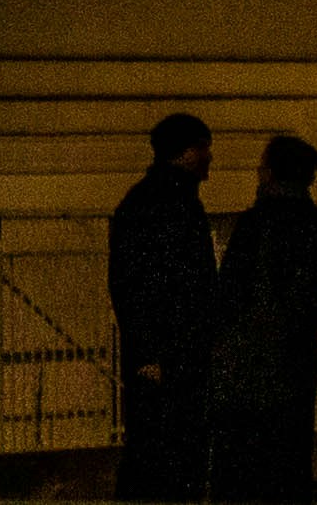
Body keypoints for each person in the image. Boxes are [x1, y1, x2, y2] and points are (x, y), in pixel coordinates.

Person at [200, 130, 317, 496]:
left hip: (246, 361)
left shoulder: (255, 225)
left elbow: (229, 294)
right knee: (291, 457)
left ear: (269, 174)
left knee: (239, 462)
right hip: (295, 357)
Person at [108, 110, 221, 497]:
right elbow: (140, 285)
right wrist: (152, 353)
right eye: (205, 149)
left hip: (164, 353)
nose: (210, 158)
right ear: (188, 152)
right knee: (171, 451)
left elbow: (129, 284)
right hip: (175, 353)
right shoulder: (175, 206)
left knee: (153, 449)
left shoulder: (145, 202)